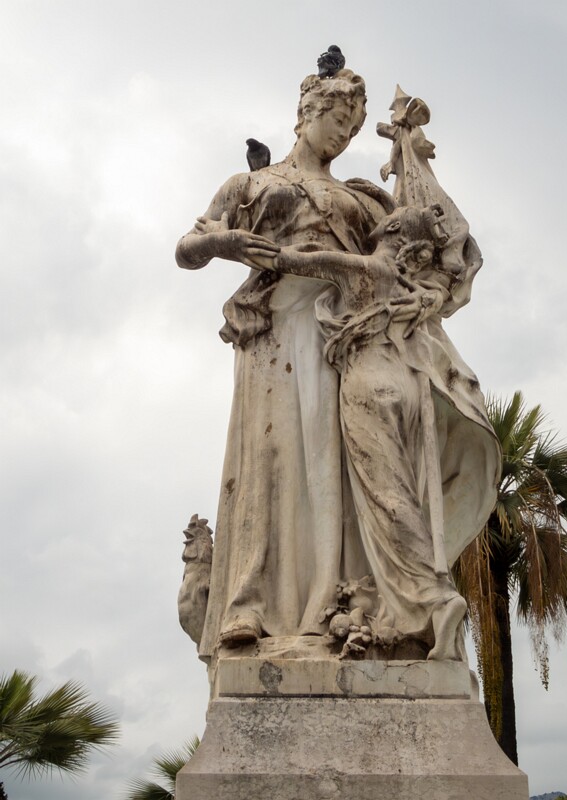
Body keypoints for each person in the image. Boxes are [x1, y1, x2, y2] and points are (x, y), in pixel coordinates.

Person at [176, 69, 397, 660]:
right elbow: (187, 248)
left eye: (353, 129)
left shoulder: (358, 198)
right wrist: (223, 245)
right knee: (269, 459)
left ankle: (334, 600)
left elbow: (400, 260)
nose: (345, 137)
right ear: (307, 112)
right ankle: (249, 605)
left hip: (337, 337)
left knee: (332, 468)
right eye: (338, 121)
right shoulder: (251, 183)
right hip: (270, 332)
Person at [267, 204, 500, 659]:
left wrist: (229, 243)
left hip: (369, 386)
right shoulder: (417, 287)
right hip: (411, 385)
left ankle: (431, 598)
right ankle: (415, 607)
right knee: (406, 493)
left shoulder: (359, 268)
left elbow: (284, 260)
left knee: (384, 499)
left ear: (392, 230)